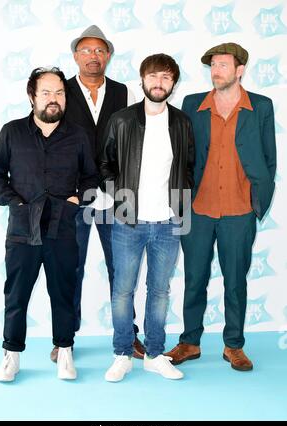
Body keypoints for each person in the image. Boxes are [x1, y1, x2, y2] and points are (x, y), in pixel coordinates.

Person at [166, 43, 276, 371]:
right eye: (213, 65)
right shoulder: (191, 105)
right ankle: (189, 342)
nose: (216, 70)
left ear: (239, 69)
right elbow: (181, 156)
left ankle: (234, 346)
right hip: (198, 210)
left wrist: (259, 201)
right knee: (194, 278)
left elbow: (269, 159)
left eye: (223, 65)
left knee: (235, 280)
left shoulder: (261, 106)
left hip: (240, 211)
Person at [0, 67, 99, 381]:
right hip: (23, 229)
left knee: (63, 292)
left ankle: (65, 351)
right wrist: (15, 203)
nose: (54, 99)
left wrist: (78, 200)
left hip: (63, 229)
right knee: (17, 294)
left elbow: (92, 178)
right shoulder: (12, 132)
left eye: (60, 93)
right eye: (46, 92)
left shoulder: (77, 135)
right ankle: (11, 355)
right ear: (32, 96)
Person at [50, 25, 145, 362]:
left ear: (108, 55)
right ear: (76, 55)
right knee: (69, 268)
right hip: (72, 198)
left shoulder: (125, 92)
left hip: (116, 197)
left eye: (99, 50)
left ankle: (128, 335)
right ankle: (64, 340)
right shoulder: (60, 92)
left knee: (121, 269)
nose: (93, 56)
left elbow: (135, 144)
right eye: (86, 50)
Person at [100, 53, 195, 382]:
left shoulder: (182, 122)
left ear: (173, 83)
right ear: (142, 79)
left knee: (160, 291)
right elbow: (105, 165)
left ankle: (155, 354)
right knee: (122, 291)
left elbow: (188, 167)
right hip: (129, 221)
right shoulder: (122, 120)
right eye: (153, 76)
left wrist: (180, 203)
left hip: (169, 223)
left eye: (166, 77)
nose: (159, 82)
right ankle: (122, 353)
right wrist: (120, 197)